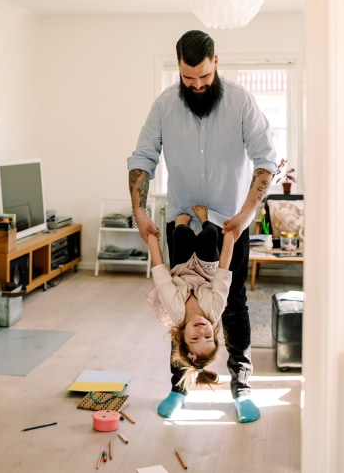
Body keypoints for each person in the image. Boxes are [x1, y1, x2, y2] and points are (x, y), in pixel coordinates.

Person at [127, 29, 278, 423]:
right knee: (183, 317)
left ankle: (241, 387)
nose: (196, 86)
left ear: (216, 63)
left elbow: (266, 161)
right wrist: (140, 210)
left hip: (230, 224)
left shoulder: (242, 102)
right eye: (187, 79)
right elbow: (143, 157)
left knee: (235, 309)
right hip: (183, 223)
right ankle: (178, 387)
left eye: (204, 78)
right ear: (179, 68)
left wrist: (246, 215)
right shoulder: (163, 105)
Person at [146, 206, 235, 392]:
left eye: (195, 338)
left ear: (183, 336)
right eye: (208, 336)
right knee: (209, 236)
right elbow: (223, 276)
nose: (202, 330)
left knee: (182, 234)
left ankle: (181, 223)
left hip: (183, 271)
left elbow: (162, 277)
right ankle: (204, 220)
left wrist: (151, 240)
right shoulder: (214, 310)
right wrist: (230, 238)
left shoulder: (175, 312)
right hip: (206, 273)